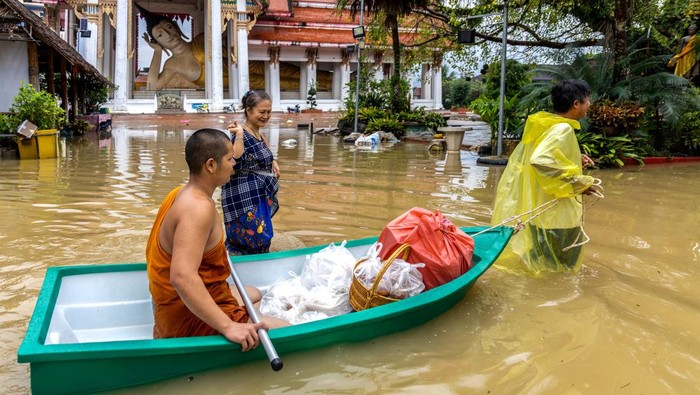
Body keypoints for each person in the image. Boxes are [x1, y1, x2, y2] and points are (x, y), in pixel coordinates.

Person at [146, 128, 288, 349]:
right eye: (230, 159)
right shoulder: (198, 208)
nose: (234, 164)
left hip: (172, 307)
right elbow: (182, 277)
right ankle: (236, 322)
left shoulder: (179, 192)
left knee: (254, 293)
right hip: (184, 320)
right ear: (211, 165)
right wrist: (228, 327)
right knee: (289, 327)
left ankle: (245, 316)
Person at [491, 79, 600, 274]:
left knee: (541, 265)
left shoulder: (546, 125)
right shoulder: (563, 129)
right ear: (576, 104)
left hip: (541, 215)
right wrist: (579, 183)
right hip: (559, 218)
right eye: (587, 100)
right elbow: (540, 160)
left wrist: (575, 158)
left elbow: (546, 156)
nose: (589, 104)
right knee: (563, 271)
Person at [222, 90, 280, 255]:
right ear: (248, 110)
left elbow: (264, 151)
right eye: (262, 112)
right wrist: (239, 133)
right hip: (244, 196)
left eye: (269, 112)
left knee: (262, 233)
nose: (266, 116)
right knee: (254, 235)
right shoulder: (241, 134)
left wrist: (273, 161)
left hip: (258, 194)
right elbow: (235, 161)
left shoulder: (257, 133)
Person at [135, 3, 228, 90]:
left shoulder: (201, 39)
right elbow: (152, 87)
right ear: (159, 42)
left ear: (176, 27)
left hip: (236, 81)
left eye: (169, 27)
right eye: (160, 35)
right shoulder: (172, 64)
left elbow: (228, 39)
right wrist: (157, 51)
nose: (168, 34)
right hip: (220, 94)